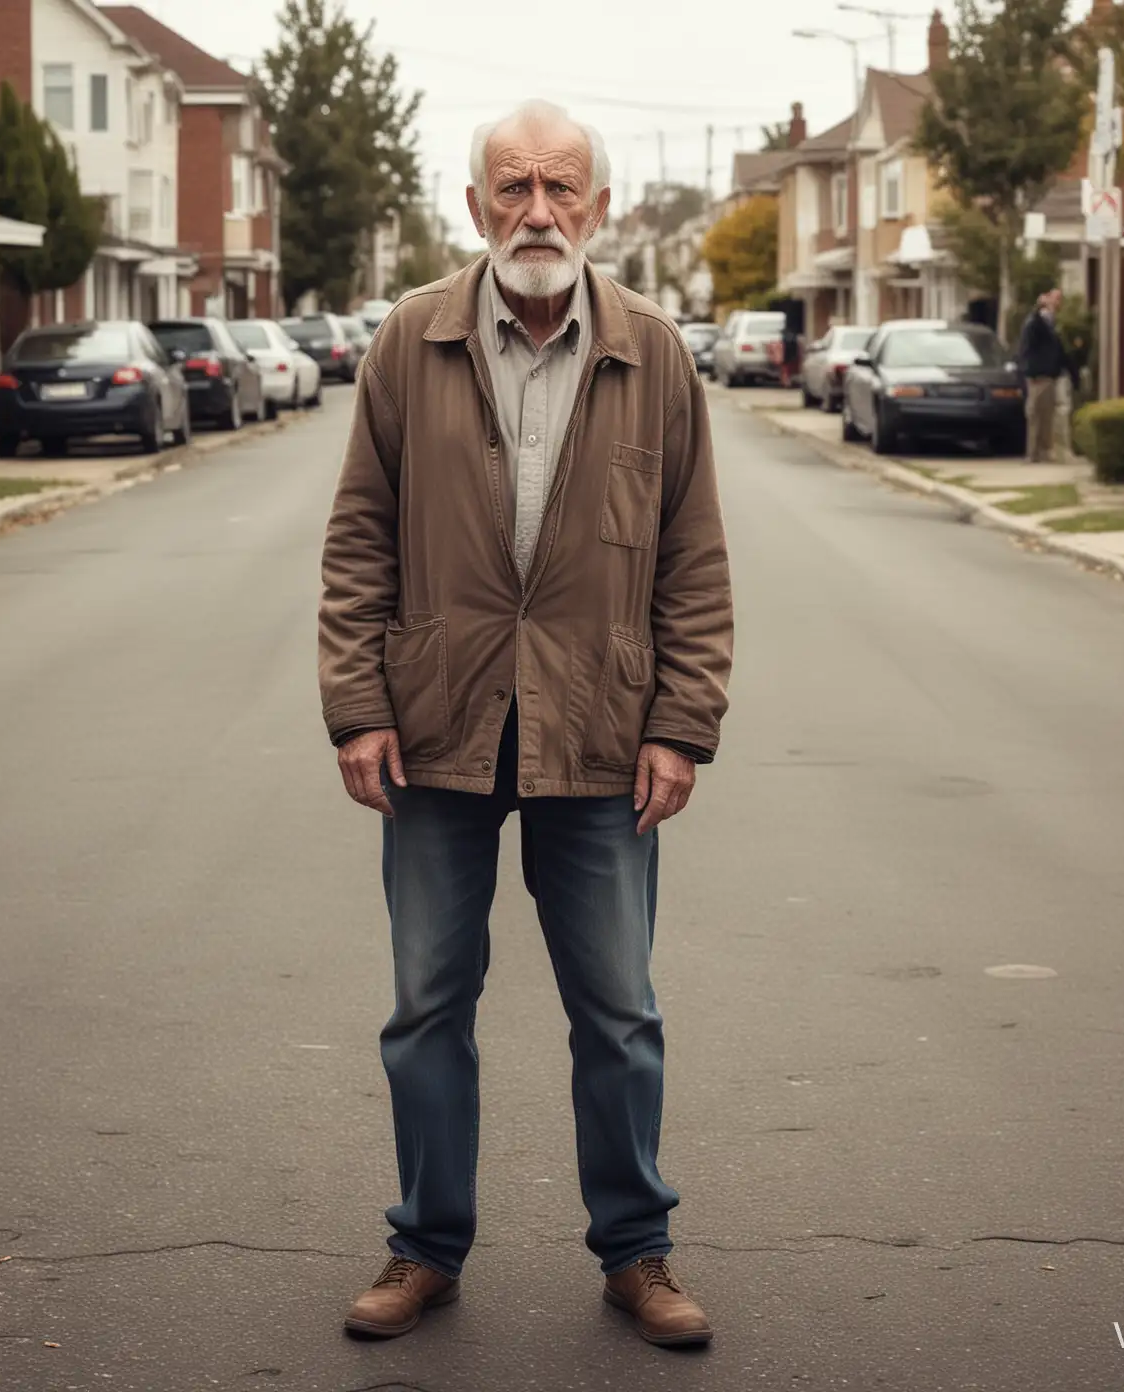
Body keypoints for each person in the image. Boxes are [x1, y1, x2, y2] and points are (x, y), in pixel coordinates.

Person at [317, 99, 734, 1349]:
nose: (537, 210)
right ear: (476, 208)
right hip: (437, 724)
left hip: (603, 735)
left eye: (562, 188)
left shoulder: (655, 352)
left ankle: (637, 1252)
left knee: (620, 1011)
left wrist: (683, 723)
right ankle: (424, 1247)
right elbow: (359, 542)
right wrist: (355, 707)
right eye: (514, 188)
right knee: (428, 1005)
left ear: (602, 211)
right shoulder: (410, 341)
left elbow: (694, 560)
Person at [1016, 286, 1078, 463]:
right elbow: (1030, 342)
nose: (1055, 305)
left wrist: (1073, 375)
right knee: (1035, 414)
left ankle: (1045, 451)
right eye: (1053, 300)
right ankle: (1034, 453)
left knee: (1046, 416)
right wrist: (1038, 307)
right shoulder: (1035, 324)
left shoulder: (1052, 327)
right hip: (1037, 375)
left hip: (1050, 375)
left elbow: (1061, 352)